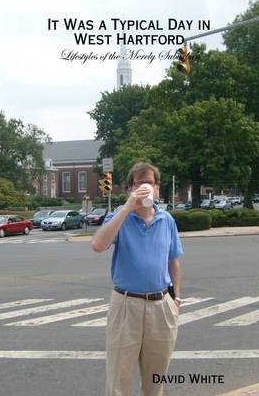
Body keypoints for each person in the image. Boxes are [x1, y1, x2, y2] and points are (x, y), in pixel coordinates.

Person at [91, 162, 183, 396]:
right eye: (138, 183)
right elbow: (98, 245)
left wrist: (177, 298)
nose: (144, 187)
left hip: (161, 305)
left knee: (155, 380)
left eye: (149, 182)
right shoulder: (118, 218)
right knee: (118, 381)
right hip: (126, 304)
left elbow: (173, 261)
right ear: (129, 189)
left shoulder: (167, 220)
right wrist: (126, 209)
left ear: (157, 188)